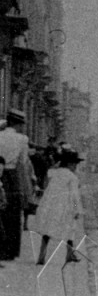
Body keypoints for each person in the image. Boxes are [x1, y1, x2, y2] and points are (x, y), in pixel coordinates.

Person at [34, 146, 84, 265]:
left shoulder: (54, 173)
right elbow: (74, 195)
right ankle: (69, 254)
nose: (75, 167)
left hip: (50, 203)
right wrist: (77, 209)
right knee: (70, 229)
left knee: (47, 229)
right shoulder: (72, 177)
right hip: (64, 205)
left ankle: (42, 255)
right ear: (70, 164)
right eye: (75, 164)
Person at [0, 109, 34, 261]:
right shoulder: (22, 139)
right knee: (13, 214)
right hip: (12, 176)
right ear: (18, 124)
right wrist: (27, 190)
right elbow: (23, 164)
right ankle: (10, 250)